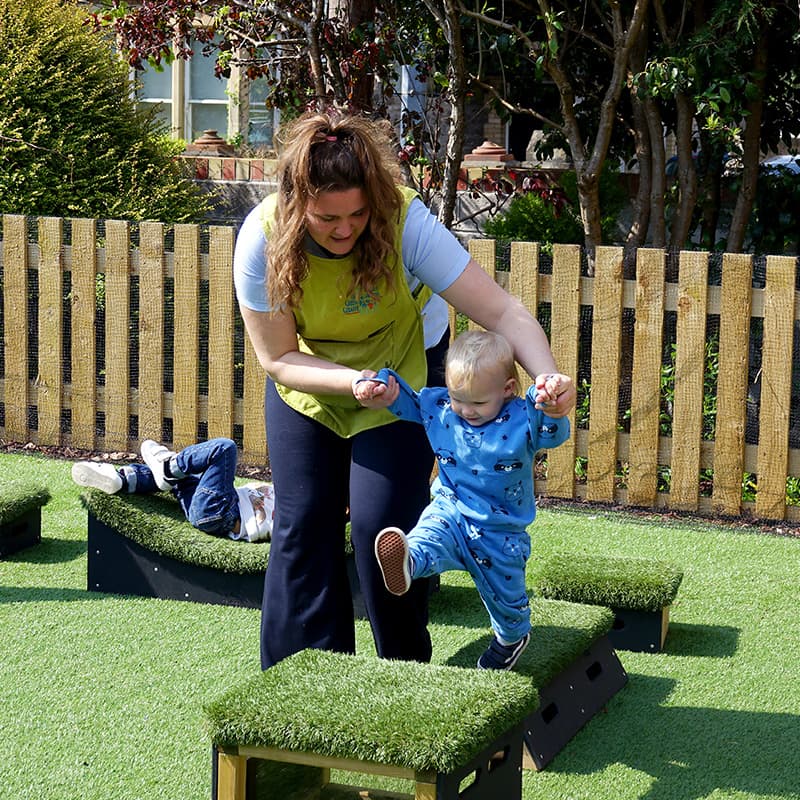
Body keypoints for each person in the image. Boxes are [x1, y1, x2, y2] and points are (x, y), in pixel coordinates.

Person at [233, 108, 576, 669]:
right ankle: (306, 684)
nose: (345, 229)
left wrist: (547, 376)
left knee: (381, 525)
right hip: (312, 378)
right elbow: (277, 358)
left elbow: (503, 312)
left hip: (403, 379)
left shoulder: (406, 223)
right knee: (305, 522)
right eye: (326, 218)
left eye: (358, 213)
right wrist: (351, 381)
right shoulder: (260, 241)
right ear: (296, 204)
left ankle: (404, 673)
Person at [354, 330, 570, 670]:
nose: (466, 410)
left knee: (506, 601)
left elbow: (553, 434)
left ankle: (511, 637)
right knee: (429, 534)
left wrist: (553, 407)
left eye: (478, 402)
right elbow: (405, 399)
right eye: (459, 398)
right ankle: (408, 561)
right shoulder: (442, 408)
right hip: (451, 510)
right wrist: (381, 385)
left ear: (507, 390)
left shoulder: (523, 417)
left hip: (501, 532)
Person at [71, 438, 273, 543]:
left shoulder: (299, 511)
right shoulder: (292, 493)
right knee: (184, 477)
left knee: (224, 448)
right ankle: (123, 479)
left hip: (222, 512)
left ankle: (168, 467)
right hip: (213, 512)